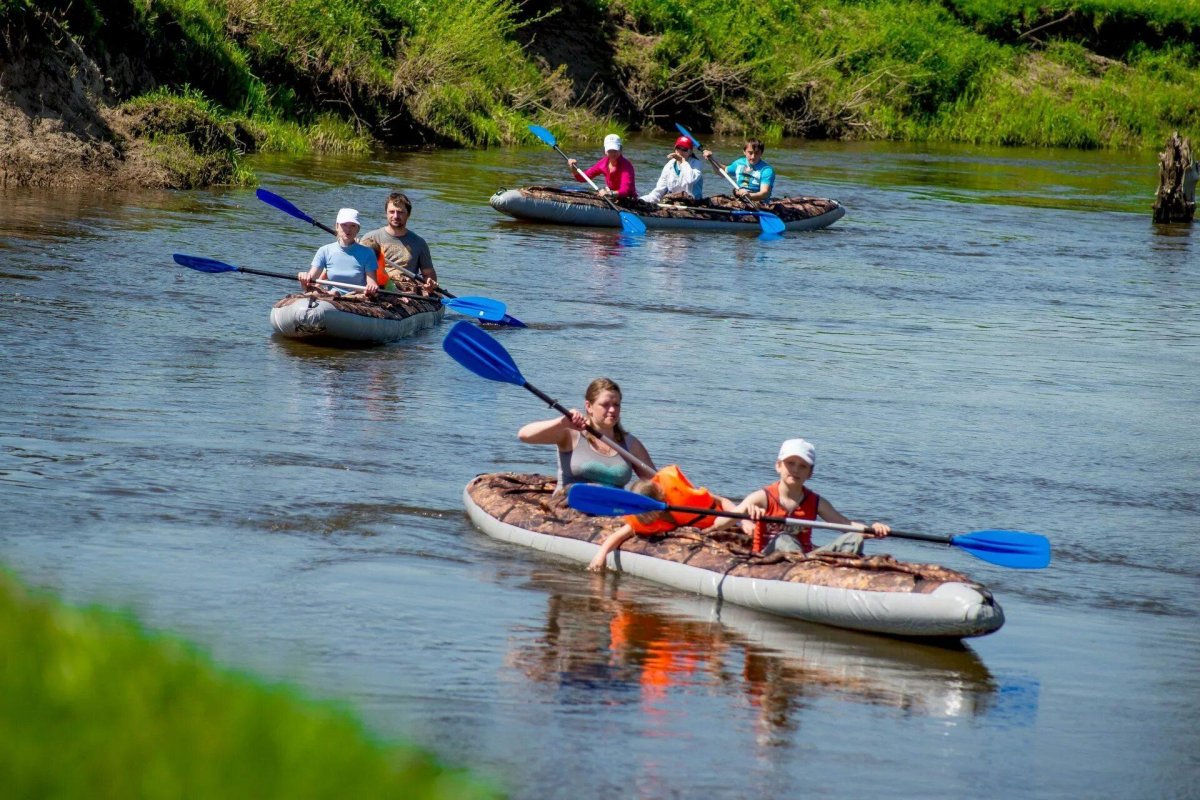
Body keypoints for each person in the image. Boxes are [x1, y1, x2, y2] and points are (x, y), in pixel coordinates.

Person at [737, 438, 890, 555]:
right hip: (768, 557)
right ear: (778, 466)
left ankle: (810, 567)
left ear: (810, 473)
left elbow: (845, 524)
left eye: (803, 466)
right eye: (790, 463)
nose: (795, 470)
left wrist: (873, 531)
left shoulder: (816, 502)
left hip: (805, 557)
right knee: (784, 539)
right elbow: (722, 523)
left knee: (853, 539)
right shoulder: (761, 497)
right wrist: (744, 515)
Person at [587, 466, 738, 572]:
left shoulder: (684, 499)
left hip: (725, 522)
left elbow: (722, 501)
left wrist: (743, 521)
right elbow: (619, 535)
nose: (646, 518)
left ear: (660, 499)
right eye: (642, 514)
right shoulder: (639, 517)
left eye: (648, 512)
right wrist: (601, 555)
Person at [517, 377, 655, 492]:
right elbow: (524, 435)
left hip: (612, 512)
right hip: (569, 508)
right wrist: (561, 422)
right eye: (605, 404)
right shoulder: (570, 434)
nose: (612, 410)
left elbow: (656, 483)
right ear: (589, 406)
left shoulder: (631, 444)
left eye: (616, 404)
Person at [359, 191, 438, 294]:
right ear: (386, 213)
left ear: (408, 214)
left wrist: (429, 285)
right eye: (392, 212)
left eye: (400, 212)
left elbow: (428, 274)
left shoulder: (419, 243)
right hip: (377, 287)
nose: (395, 216)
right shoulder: (370, 238)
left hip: (406, 289)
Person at [297, 208, 379, 297]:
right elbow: (309, 283)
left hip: (357, 296)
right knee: (326, 293)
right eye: (344, 225)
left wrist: (371, 288)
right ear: (337, 226)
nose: (348, 229)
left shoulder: (368, 253)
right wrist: (304, 278)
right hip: (332, 296)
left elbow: (372, 283)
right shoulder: (324, 251)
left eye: (353, 226)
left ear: (358, 229)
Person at [703, 138, 775, 202]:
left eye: (757, 153)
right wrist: (711, 159)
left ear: (761, 153)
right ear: (744, 152)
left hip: (758, 203)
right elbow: (722, 171)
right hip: (740, 199)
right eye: (750, 153)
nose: (753, 157)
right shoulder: (739, 163)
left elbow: (764, 193)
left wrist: (749, 196)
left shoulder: (767, 170)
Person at [567, 133, 637, 199]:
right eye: (610, 150)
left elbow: (625, 191)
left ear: (620, 149)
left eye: (615, 150)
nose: (612, 153)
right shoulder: (603, 164)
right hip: (612, 195)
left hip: (628, 198)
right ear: (605, 151)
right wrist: (574, 169)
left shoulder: (626, 167)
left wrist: (609, 193)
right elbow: (582, 178)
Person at [639, 135, 704, 204]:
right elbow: (659, 191)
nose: (680, 152)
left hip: (694, 203)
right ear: (675, 149)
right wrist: (642, 200)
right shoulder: (669, 165)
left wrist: (682, 161)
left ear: (690, 152)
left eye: (685, 149)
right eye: (678, 148)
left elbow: (690, 180)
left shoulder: (697, 164)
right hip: (675, 202)